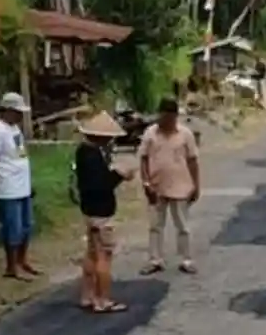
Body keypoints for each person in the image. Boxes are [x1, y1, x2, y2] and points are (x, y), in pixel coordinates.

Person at [73, 112, 134, 313]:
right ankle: (103, 299)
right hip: (101, 211)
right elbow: (101, 184)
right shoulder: (93, 156)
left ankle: (88, 295)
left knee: (91, 252)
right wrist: (119, 175)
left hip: (89, 209)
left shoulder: (83, 151)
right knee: (104, 256)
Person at [0, 92, 38, 281]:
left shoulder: (14, 129)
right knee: (13, 228)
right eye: (17, 112)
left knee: (27, 226)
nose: (20, 116)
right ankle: (11, 266)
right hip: (7, 188)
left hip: (22, 186)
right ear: (7, 111)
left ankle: (22, 261)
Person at [138, 97, 200, 275]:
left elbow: (193, 160)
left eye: (169, 117)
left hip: (181, 186)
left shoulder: (185, 134)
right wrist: (145, 182)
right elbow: (143, 159)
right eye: (162, 116)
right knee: (155, 225)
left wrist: (196, 185)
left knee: (183, 226)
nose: (165, 120)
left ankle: (186, 260)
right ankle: (155, 259)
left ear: (174, 116)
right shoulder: (150, 133)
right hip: (156, 187)